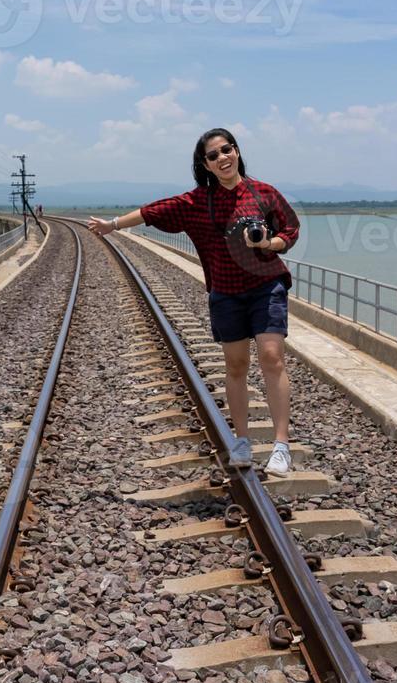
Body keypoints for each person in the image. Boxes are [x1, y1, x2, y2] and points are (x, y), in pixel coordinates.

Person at [87, 128, 301, 476]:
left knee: (272, 357)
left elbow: (290, 228)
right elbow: (153, 211)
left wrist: (270, 244)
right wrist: (113, 224)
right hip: (226, 293)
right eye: (213, 155)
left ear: (237, 151)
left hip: (266, 286)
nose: (222, 158)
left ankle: (281, 445)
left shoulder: (264, 193)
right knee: (235, 366)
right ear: (205, 165)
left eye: (226, 150)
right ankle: (242, 441)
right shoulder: (198, 202)